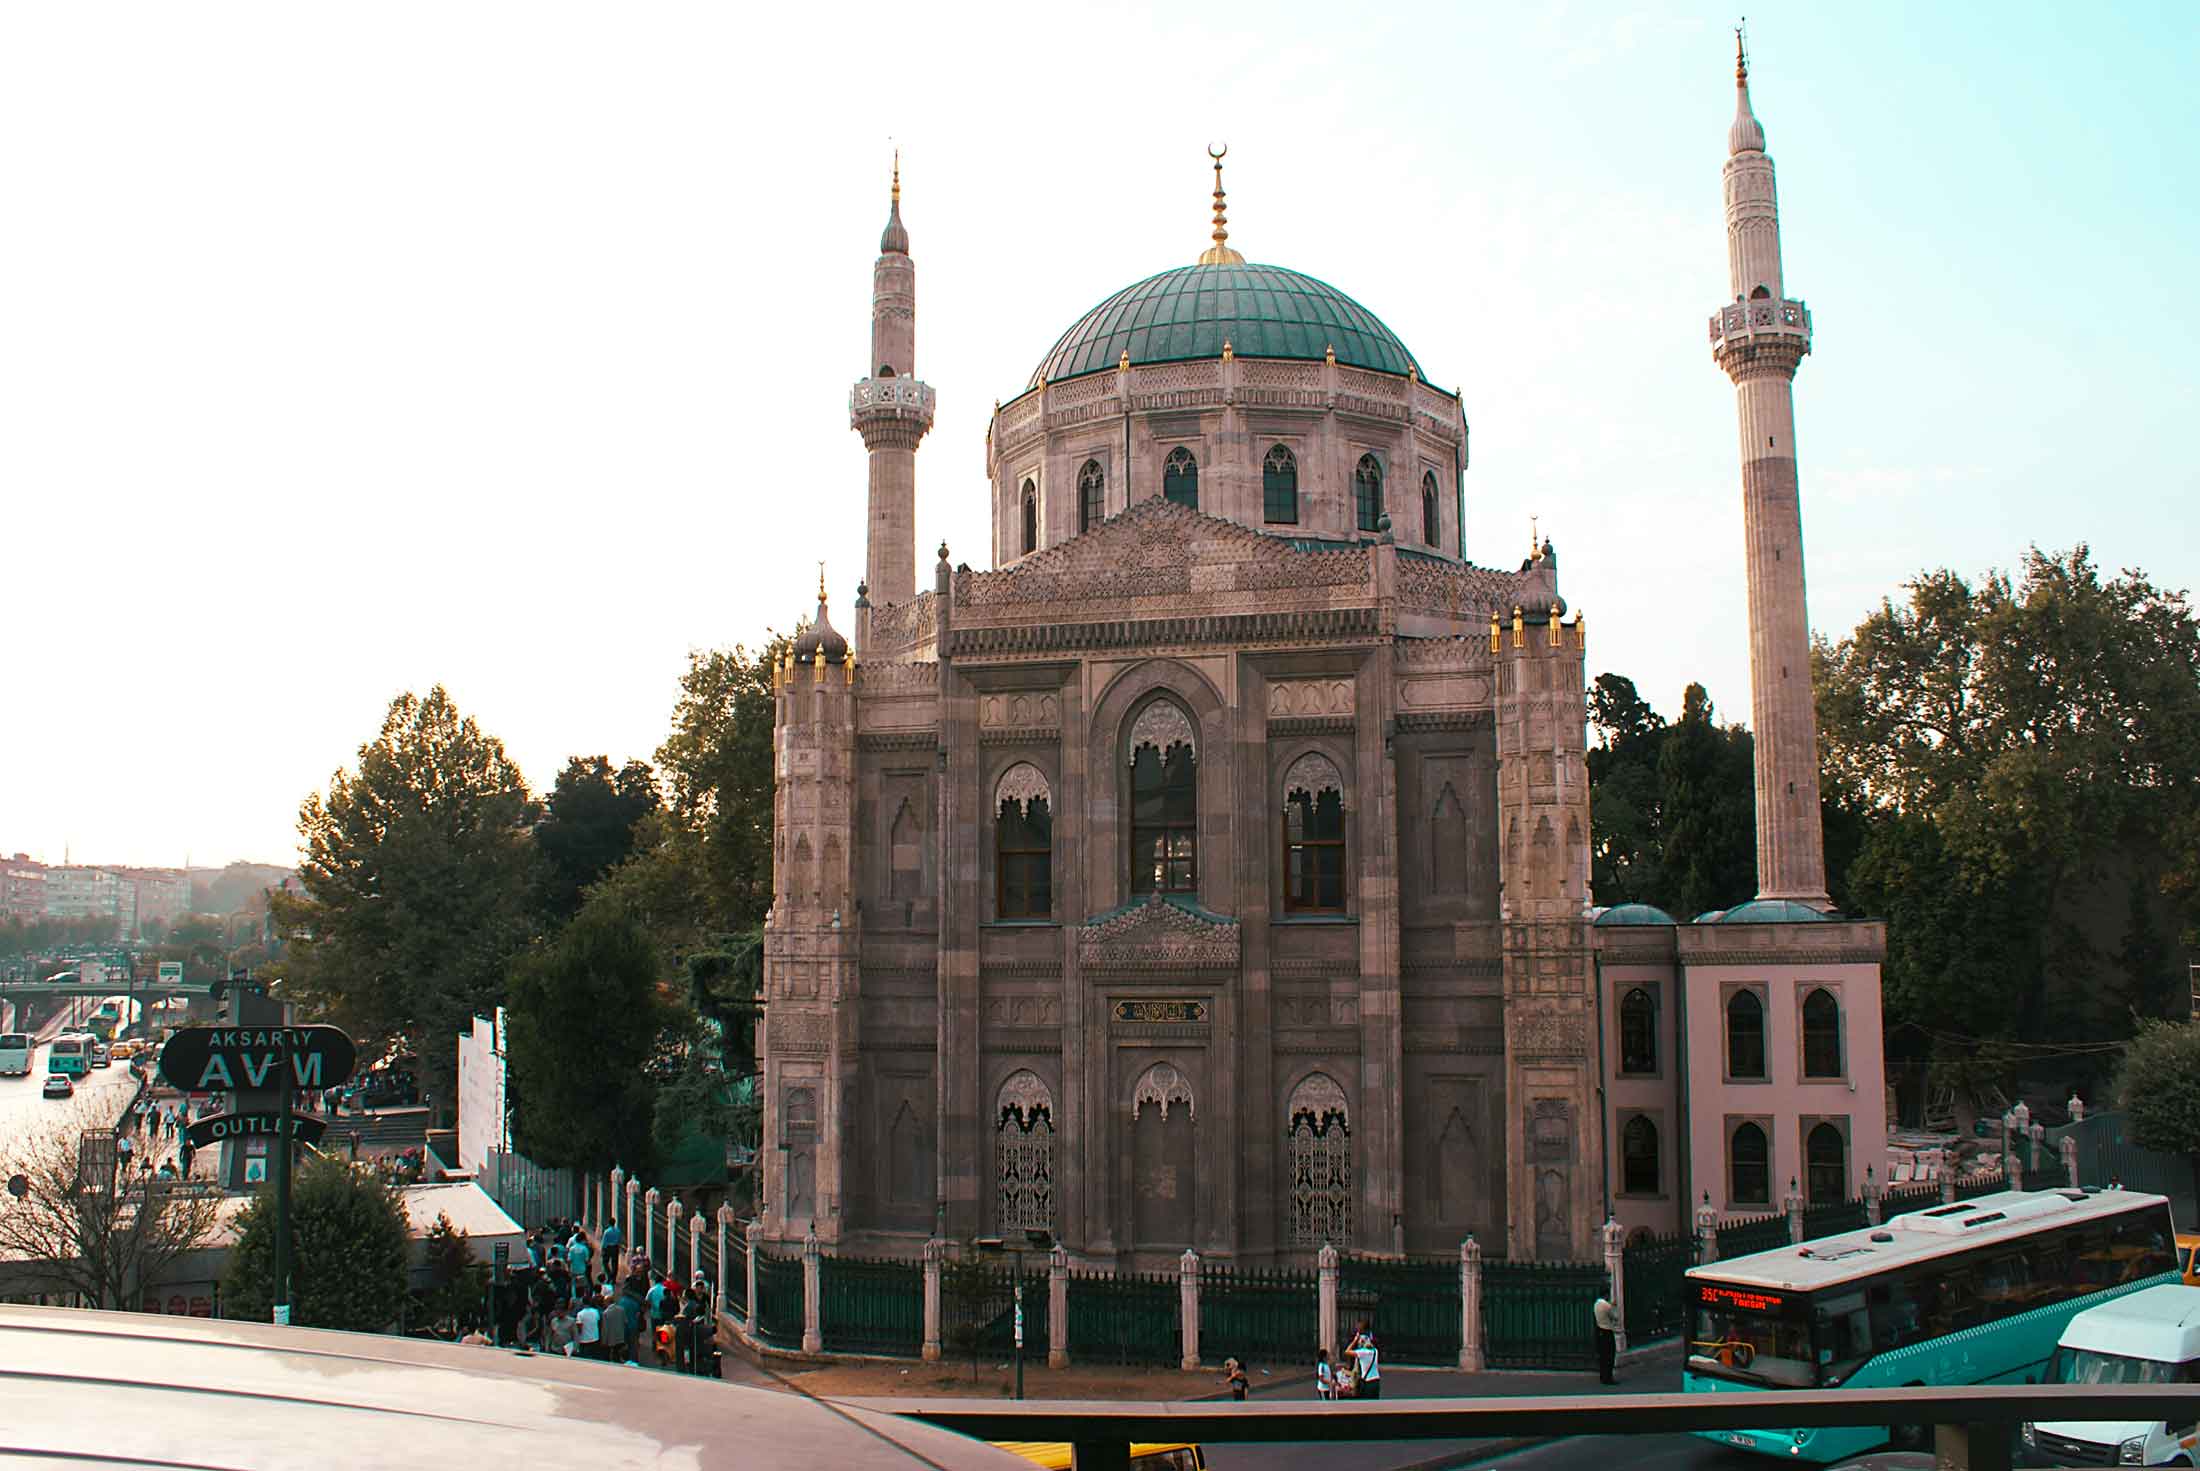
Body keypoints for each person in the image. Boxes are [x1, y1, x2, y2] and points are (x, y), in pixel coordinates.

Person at [1349, 1322, 1381, 1400]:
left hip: (1366, 1380)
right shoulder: (1375, 1350)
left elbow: (1348, 1351)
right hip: (1375, 1380)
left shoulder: (1362, 1351)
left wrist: (1355, 1340)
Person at [1593, 1293, 1619, 1384]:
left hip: (1599, 1330)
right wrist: (1614, 1306)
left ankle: (1602, 1376)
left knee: (1602, 1356)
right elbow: (1615, 1317)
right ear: (1606, 1295)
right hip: (1607, 1331)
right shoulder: (1607, 1306)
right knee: (1609, 1355)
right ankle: (1608, 1377)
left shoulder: (1596, 1304)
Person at [573, 1294, 602, 1359]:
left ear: (582, 1302)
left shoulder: (580, 1314)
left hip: (584, 1340)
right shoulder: (596, 1311)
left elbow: (579, 1329)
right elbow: (598, 1323)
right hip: (595, 1338)